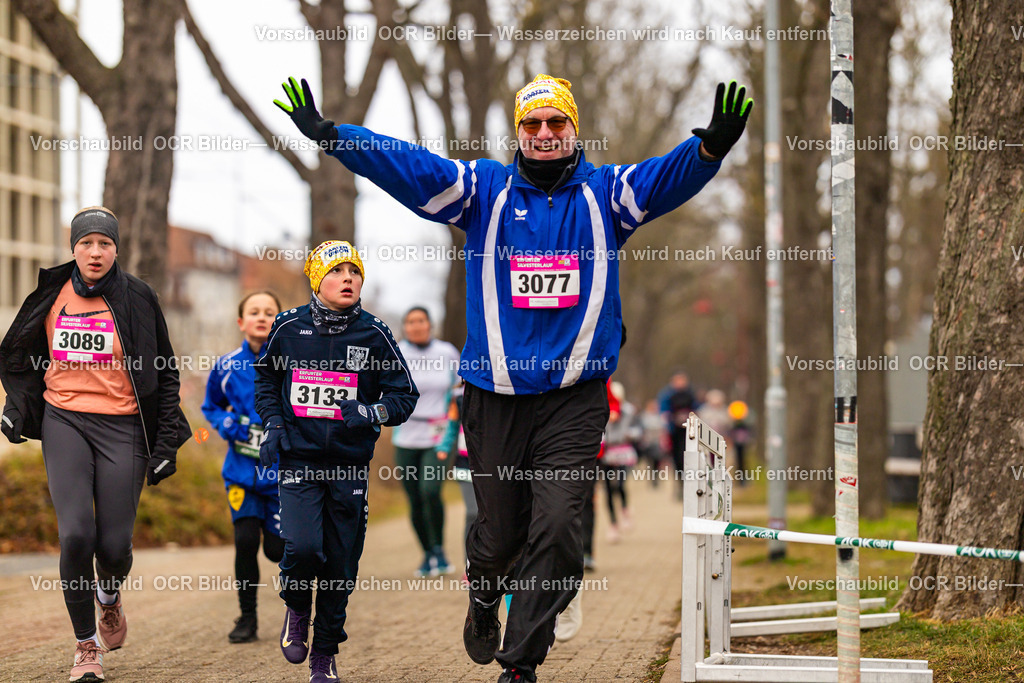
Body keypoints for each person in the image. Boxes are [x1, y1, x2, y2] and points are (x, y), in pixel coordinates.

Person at [275, 73, 751, 683]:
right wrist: (333, 136)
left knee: (556, 530)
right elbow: (408, 166)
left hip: (574, 398)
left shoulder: (607, 195)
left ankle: (520, 663)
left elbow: (665, 176)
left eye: (557, 123)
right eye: (532, 125)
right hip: (495, 396)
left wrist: (708, 148)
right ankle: (481, 600)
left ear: (574, 129)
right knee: (498, 536)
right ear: (518, 134)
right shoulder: (483, 191)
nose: (545, 134)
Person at [0, 206, 191, 682]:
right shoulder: (51, 294)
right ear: (73, 248)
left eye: (104, 243)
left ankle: (109, 592)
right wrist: (15, 406)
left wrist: (166, 443)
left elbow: (166, 373)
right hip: (66, 420)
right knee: (76, 534)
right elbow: (18, 354)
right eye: (86, 243)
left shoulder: (139, 298)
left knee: (114, 547)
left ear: (116, 249)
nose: (95, 252)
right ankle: (86, 646)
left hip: (123, 427)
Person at [254, 240, 418, 683]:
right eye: (336, 271)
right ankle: (294, 604)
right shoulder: (287, 327)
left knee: (340, 566)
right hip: (300, 462)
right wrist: (272, 424)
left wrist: (371, 412)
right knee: (305, 548)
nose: (348, 279)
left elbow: (405, 396)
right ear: (315, 279)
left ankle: (324, 656)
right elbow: (266, 379)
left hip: (348, 467)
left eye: (355, 272)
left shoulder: (375, 332)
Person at [202, 290, 285, 643]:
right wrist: (224, 425)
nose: (262, 317)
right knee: (245, 541)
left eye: (270, 312)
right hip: (242, 474)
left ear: (280, 321)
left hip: (283, 475)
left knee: (278, 550)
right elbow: (211, 407)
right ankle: (247, 617)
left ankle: (298, 612)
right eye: (255, 312)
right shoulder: (226, 366)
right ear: (241, 322)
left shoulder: (291, 362)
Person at [393, 306, 461, 577]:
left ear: (430, 324)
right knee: (414, 499)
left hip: (439, 433)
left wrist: (454, 424)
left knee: (430, 491)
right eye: (410, 322)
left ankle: (440, 550)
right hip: (406, 434)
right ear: (405, 327)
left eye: (421, 320)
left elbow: (459, 390)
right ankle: (427, 553)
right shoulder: (397, 352)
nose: (416, 326)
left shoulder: (446, 352)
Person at [436, 380, 475, 584]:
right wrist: (443, 446)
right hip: (464, 463)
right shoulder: (458, 398)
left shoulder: (502, 393)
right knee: (473, 512)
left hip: (495, 464)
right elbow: (451, 426)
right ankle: (470, 567)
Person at [601, 381, 638, 542]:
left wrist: (630, 434)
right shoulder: (602, 410)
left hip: (623, 451)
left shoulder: (629, 411)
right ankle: (613, 525)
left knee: (621, 484)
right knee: (608, 489)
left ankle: (624, 509)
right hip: (607, 452)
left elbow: (638, 430)